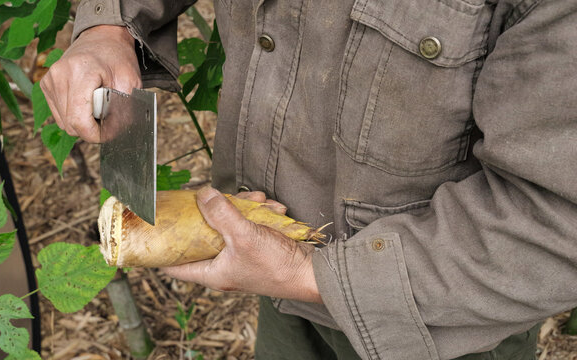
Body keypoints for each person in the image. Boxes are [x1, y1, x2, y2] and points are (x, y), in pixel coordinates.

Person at [40, 0, 577, 359]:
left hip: (440, 325)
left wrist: (304, 273)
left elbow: (557, 221)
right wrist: (107, 26)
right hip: (281, 299)